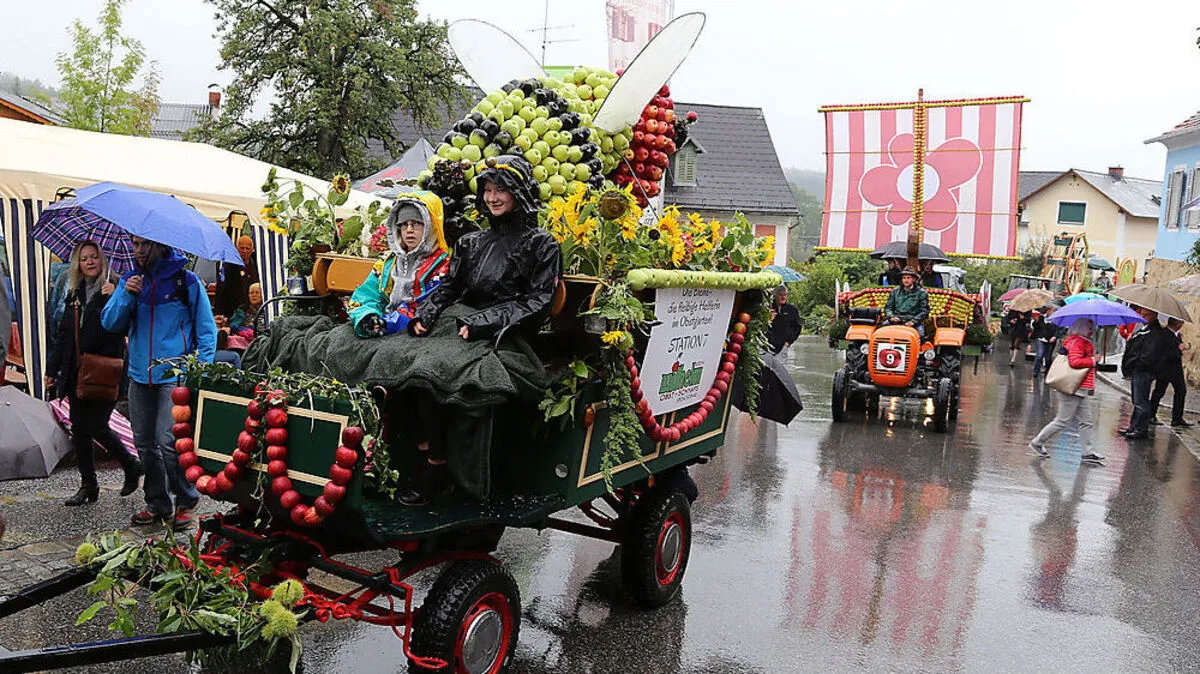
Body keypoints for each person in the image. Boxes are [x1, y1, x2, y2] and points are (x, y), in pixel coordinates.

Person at [404, 155, 561, 505]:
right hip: (457, 324)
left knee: (429, 370)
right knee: (397, 358)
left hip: (507, 335)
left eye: (501, 190)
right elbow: (449, 287)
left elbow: (537, 303)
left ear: (519, 193)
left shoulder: (542, 244)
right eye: (488, 190)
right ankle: (424, 450)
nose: (492, 197)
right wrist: (426, 315)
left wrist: (481, 323)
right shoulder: (470, 242)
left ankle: (437, 465)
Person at [102, 235, 217, 528]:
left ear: (161, 245)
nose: (138, 250)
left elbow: (207, 330)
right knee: (143, 442)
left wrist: (199, 371)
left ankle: (187, 499)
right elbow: (110, 323)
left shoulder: (186, 282)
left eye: (144, 244)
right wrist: (126, 294)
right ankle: (157, 503)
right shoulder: (131, 279)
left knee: (169, 442)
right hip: (139, 375)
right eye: (135, 244)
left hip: (174, 375)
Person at [43, 242, 143, 505]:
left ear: (104, 261)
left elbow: (117, 329)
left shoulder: (115, 290)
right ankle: (88, 486)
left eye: (94, 257)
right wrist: (52, 370)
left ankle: (129, 464)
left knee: (97, 425)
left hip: (104, 370)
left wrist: (113, 298)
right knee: (79, 428)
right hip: (77, 371)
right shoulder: (74, 293)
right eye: (84, 258)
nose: (89, 262)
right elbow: (64, 335)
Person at [349, 193, 451, 338]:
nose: (409, 229)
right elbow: (366, 295)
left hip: (417, 333)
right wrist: (368, 317)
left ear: (431, 226)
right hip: (384, 326)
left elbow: (424, 307)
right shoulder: (387, 263)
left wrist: (386, 324)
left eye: (416, 223)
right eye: (404, 224)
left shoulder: (442, 266)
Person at [1029, 318, 1104, 464]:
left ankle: (1087, 453)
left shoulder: (1081, 341)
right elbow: (1074, 362)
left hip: (1080, 388)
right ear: (1082, 328)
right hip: (1073, 388)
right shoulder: (1077, 342)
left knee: (1087, 421)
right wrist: (1093, 361)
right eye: (1089, 328)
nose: (1091, 331)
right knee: (1062, 420)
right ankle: (1037, 442)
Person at [1119, 305, 1169, 440]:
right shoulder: (1144, 328)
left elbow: (1148, 354)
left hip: (1143, 370)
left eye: (1145, 313)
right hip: (1139, 369)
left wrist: (1137, 364)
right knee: (1137, 401)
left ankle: (1140, 429)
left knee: (1141, 402)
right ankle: (1133, 426)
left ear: (1153, 315)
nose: (1142, 315)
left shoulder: (1156, 332)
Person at [1150, 317, 1192, 428]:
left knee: (1181, 391)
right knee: (1159, 392)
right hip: (1165, 369)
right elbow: (1166, 354)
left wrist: (1181, 348)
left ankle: (1177, 418)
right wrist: (1180, 349)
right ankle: (1151, 415)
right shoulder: (1165, 334)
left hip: (1175, 370)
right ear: (1178, 323)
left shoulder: (1175, 335)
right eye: (1181, 322)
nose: (1182, 324)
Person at [882, 266, 929, 337]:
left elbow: (924, 311)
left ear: (914, 279)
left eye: (908, 278)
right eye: (904, 278)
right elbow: (888, 307)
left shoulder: (922, 293)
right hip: (897, 319)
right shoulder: (895, 292)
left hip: (914, 320)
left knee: (921, 335)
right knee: (882, 329)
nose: (906, 280)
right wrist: (891, 317)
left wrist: (913, 321)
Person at [767, 285, 802, 355]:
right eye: (780, 295)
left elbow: (798, 328)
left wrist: (789, 342)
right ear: (775, 295)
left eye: (785, 295)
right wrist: (768, 319)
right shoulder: (768, 308)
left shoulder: (792, 310)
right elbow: (760, 327)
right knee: (766, 365)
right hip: (767, 346)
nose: (783, 297)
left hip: (783, 347)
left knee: (780, 365)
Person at [1030, 308, 1058, 376]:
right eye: (1051, 311)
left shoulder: (1056, 320)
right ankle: (1036, 371)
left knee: (1048, 358)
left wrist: (1054, 336)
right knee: (1039, 355)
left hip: (1050, 340)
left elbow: (1058, 330)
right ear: (1047, 311)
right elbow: (1035, 327)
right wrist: (1036, 321)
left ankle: (1047, 371)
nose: (1051, 312)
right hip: (1040, 338)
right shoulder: (1041, 318)